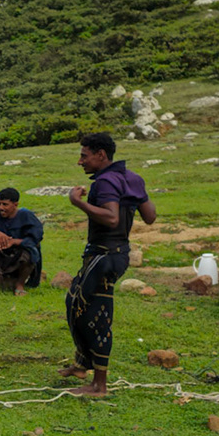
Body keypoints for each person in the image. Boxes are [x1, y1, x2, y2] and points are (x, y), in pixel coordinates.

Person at [62, 133, 156, 397]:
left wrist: (78, 202)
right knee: (75, 303)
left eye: (84, 155)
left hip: (104, 256)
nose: (80, 161)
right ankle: (82, 364)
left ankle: (99, 385)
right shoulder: (133, 178)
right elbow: (150, 216)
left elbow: (112, 219)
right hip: (118, 254)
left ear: (100, 155)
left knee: (97, 314)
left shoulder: (104, 182)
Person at [0, 187, 44, 295]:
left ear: (15, 204)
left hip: (20, 255)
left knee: (31, 250)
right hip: (3, 255)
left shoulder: (26, 216)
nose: (1, 207)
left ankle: (19, 285)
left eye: (5, 204)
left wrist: (13, 242)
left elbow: (35, 239)